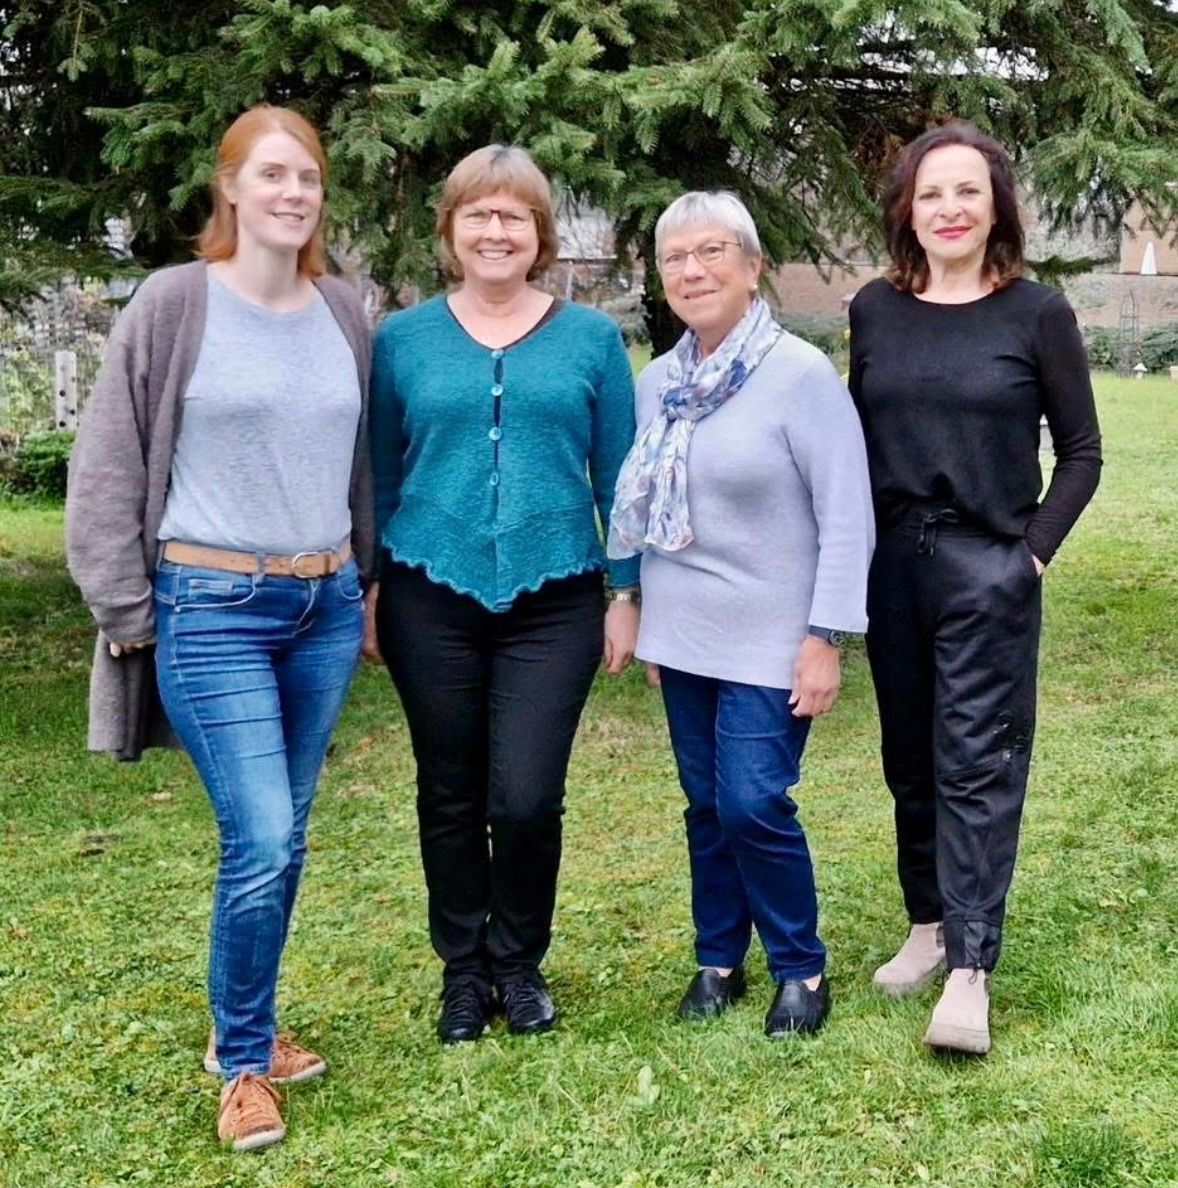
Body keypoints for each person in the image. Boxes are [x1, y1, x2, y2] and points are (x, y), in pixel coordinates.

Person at [66, 104, 373, 1150]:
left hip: (322, 607)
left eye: (310, 179)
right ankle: (244, 1063)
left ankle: (243, 1027)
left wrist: (362, 583)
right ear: (230, 188)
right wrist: (125, 609)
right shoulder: (172, 303)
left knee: (282, 837)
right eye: (274, 175)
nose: (294, 193)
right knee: (262, 834)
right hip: (211, 611)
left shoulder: (345, 311)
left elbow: (359, 463)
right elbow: (107, 459)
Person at [366, 144, 640, 1044]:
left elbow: (621, 477)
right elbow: (379, 471)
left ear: (539, 235)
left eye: (512, 216)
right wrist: (371, 584)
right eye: (477, 214)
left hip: (556, 594)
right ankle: (462, 971)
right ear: (449, 230)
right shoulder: (400, 340)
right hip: (426, 593)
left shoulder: (592, 341)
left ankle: (518, 962)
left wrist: (627, 589)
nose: (494, 230)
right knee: (448, 791)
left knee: (525, 795)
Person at [848, 122, 1102, 1054]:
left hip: (988, 564)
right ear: (906, 211)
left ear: (995, 205)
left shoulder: (1037, 313)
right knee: (909, 755)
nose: (949, 209)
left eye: (967, 191)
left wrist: (1027, 556)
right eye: (930, 193)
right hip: (892, 564)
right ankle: (928, 926)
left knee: (977, 763)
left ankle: (970, 967)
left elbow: (1081, 453)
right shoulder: (874, 308)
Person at [608, 191, 875, 1037]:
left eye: (712, 251)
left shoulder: (799, 375)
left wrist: (825, 636)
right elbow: (647, 507)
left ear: (753, 267)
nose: (693, 271)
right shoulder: (658, 384)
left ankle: (802, 966)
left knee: (753, 800)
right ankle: (718, 958)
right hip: (683, 631)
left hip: (774, 633)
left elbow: (847, 514)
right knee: (703, 802)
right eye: (675, 258)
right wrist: (645, 617)